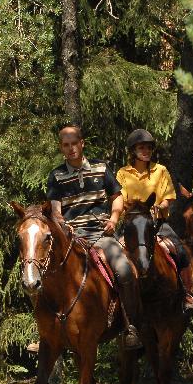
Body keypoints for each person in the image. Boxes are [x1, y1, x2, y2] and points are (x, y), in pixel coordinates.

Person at [46, 124, 142, 349]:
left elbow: (116, 197)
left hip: (101, 234)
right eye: (65, 145)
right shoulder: (56, 175)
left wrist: (114, 219)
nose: (71, 149)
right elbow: (55, 209)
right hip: (73, 238)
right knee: (44, 272)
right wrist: (62, 225)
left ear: (82, 143)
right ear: (62, 147)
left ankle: (131, 327)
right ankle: (47, 330)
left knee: (125, 269)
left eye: (74, 144)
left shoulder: (100, 168)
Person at [116, 128, 193, 312]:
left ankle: (186, 294)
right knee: (111, 253)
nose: (146, 151)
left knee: (180, 251)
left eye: (149, 148)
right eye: (141, 148)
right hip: (132, 226)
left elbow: (167, 199)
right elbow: (121, 200)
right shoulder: (123, 173)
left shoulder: (160, 171)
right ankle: (116, 300)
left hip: (157, 224)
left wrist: (158, 207)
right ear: (133, 151)